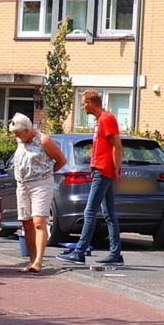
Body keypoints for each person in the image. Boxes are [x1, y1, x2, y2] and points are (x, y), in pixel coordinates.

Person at [58, 90, 123, 266]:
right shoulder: (100, 120)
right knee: (109, 214)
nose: (82, 107)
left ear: (91, 103)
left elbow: (117, 146)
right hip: (101, 171)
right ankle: (115, 254)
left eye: (84, 103)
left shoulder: (106, 118)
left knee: (90, 211)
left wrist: (116, 171)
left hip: (103, 171)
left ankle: (79, 252)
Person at [9, 113, 67, 273]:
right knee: (26, 224)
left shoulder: (44, 140)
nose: (17, 137)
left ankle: (39, 262)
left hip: (40, 184)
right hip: (22, 185)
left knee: (39, 222)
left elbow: (61, 160)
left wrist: (46, 173)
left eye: (19, 133)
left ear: (27, 130)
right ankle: (32, 260)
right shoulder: (20, 140)